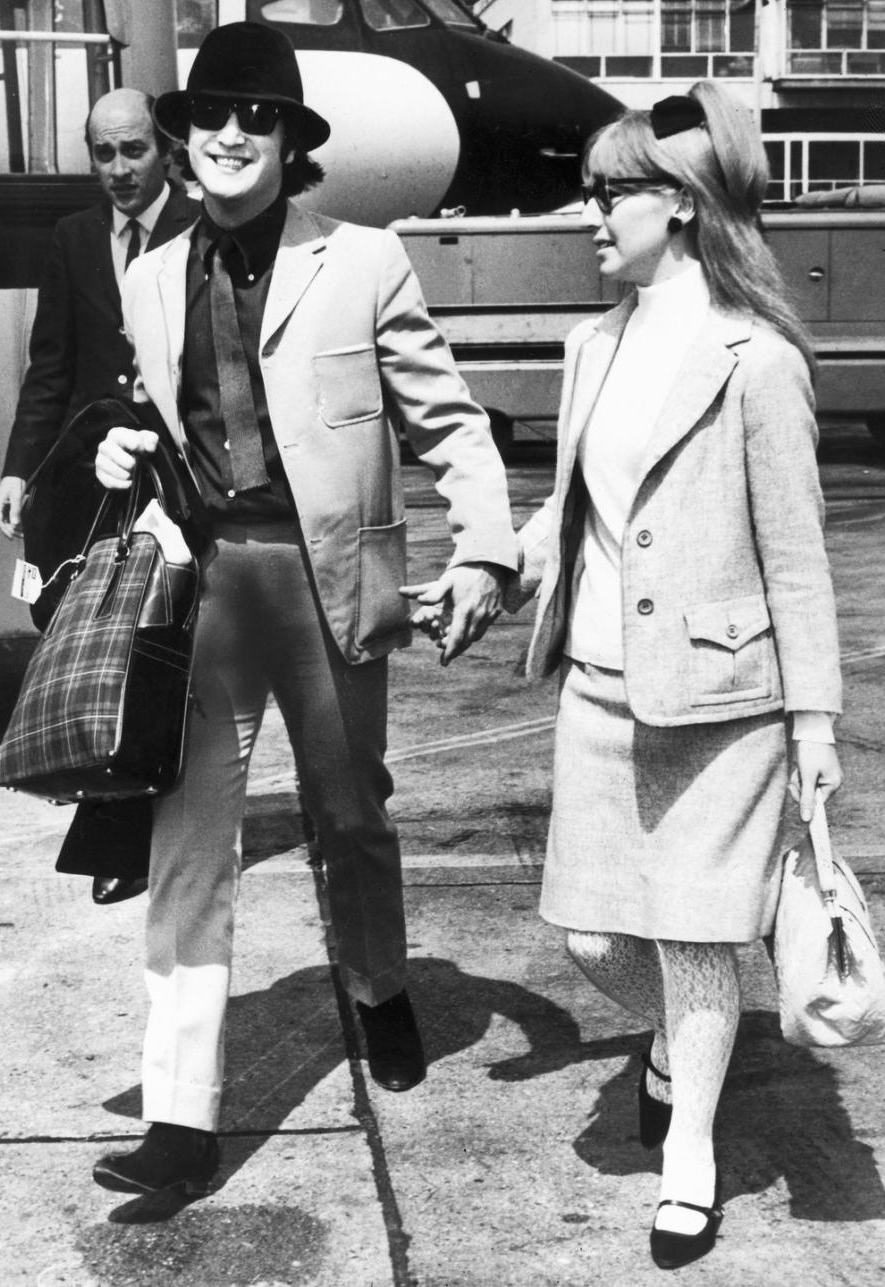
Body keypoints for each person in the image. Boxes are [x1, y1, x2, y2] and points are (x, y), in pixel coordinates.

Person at [89, 22, 518, 1198]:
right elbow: (162, 417)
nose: (232, 135)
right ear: (181, 141)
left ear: (291, 143)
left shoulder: (366, 261)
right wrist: (127, 447)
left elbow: (452, 427)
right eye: (211, 117)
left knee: (351, 816)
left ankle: (377, 986)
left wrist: (486, 553)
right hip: (209, 591)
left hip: (333, 596)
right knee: (188, 845)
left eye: (258, 118)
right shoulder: (147, 275)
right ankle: (181, 1119)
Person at [504, 83, 842, 1269]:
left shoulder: (757, 359)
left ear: (683, 207)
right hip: (598, 685)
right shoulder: (589, 342)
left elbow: (797, 557)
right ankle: (673, 1044)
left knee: (699, 940)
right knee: (596, 940)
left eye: (609, 193)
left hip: (725, 701)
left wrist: (814, 721)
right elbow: (576, 508)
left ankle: (689, 1152)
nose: (587, 213)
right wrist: (517, 556)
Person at [0, 88, 198, 905]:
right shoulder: (73, 238)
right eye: (103, 153)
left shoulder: (200, 227)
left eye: (134, 151)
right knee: (92, 642)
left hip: (174, 475)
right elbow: (50, 369)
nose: (119, 169)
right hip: (89, 478)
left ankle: (125, 832)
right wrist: (20, 469)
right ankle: (118, 807)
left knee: (156, 648)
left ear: (163, 151)